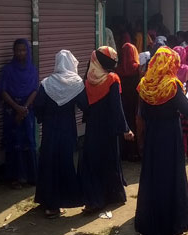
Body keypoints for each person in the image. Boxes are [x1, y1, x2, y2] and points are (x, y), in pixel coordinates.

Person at [135, 47, 188, 235]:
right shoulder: (172, 85)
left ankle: (149, 223)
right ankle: (169, 224)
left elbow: (143, 113)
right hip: (170, 135)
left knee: (153, 176)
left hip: (153, 135)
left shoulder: (145, 85)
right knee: (170, 176)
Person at [78, 46, 134, 213]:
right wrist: (125, 128)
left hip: (93, 127)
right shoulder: (112, 79)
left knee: (94, 161)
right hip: (109, 128)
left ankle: (95, 200)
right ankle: (114, 195)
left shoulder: (88, 79)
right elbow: (117, 107)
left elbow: (84, 105)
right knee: (110, 159)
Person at [34, 50, 87, 218]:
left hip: (50, 129)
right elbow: (85, 105)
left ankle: (46, 201)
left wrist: (42, 118)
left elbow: (38, 106)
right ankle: (58, 203)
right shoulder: (76, 83)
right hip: (67, 129)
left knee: (48, 163)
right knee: (64, 163)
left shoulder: (47, 83)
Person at [0, 39, 39, 188]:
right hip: (11, 112)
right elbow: (3, 91)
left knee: (29, 141)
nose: (21, 53)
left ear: (27, 51)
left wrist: (24, 108)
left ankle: (31, 177)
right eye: (18, 50)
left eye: (23, 50)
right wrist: (16, 108)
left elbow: (35, 89)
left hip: (27, 111)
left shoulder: (32, 69)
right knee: (14, 142)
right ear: (13, 52)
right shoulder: (7, 70)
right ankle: (15, 178)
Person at [115, 43, 142, 161]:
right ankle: (134, 152)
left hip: (122, 101)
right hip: (135, 101)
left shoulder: (117, 70)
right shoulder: (138, 69)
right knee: (134, 124)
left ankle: (123, 152)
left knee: (123, 123)